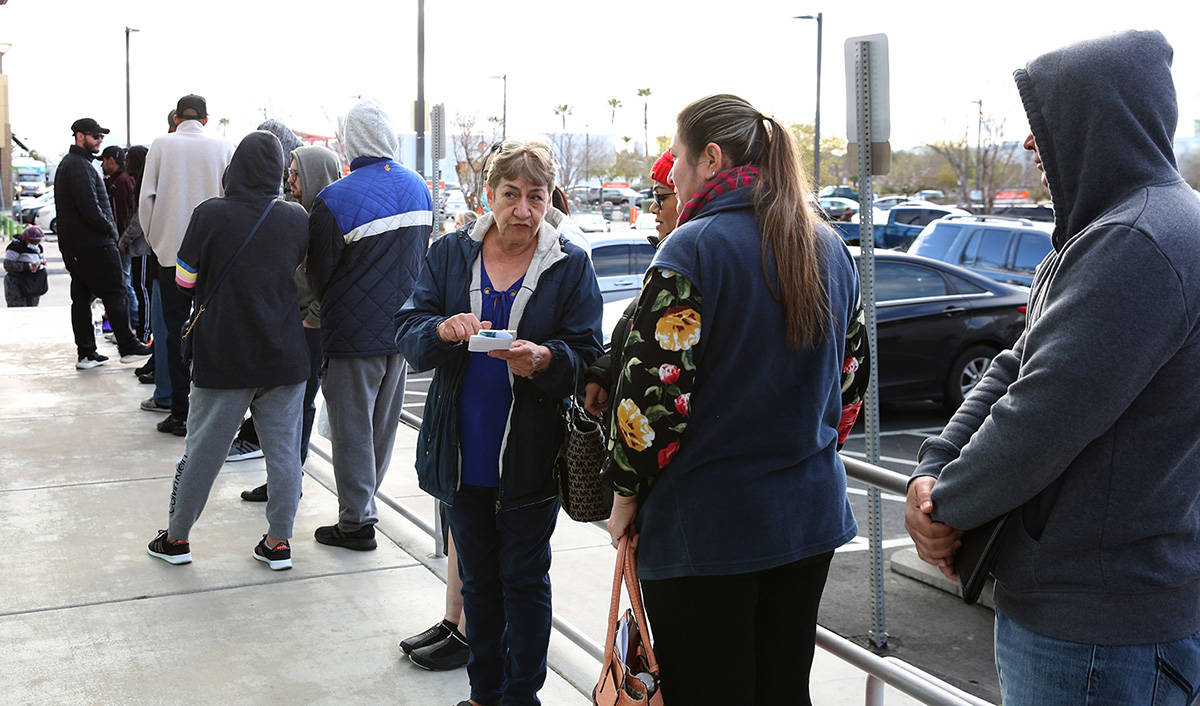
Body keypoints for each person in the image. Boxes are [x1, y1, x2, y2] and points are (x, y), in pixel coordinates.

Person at [904, 30, 1200, 704]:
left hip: (1100, 634)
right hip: (1091, 623)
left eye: (1044, 122)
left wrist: (941, 508)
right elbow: (1015, 366)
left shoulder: (1141, 240)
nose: (1031, 144)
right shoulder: (1107, 233)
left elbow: (1038, 417)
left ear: (1100, 121)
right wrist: (932, 469)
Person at [602, 95, 868, 705]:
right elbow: (850, 385)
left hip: (708, 531)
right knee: (782, 690)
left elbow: (651, 406)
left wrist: (624, 496)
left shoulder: (692, 249)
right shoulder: (826, 244)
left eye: (678, 161)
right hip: (808, 518)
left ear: (712, 159)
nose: (672, 175)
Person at [396, 140, 603, 706]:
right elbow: (408, 330)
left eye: (535, 197)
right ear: (490, 195)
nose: (523, 210)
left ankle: (520, 698)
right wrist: (441, 330)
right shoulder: (450, 255)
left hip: (531, 457)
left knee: (526, 581)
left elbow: (589, 353)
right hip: (461, 454)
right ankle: (485, 694)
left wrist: (545, 360)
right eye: (511, 195)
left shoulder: (568, 265)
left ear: (548, 200)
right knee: (480, 586)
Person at [145, 130, 310, 571]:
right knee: (283, 455)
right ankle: (278, 543)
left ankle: (176, 538)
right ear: (277, 172)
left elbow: (183, 280)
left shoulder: (210, 214)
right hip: (284, 355)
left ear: (233, 168)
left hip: (223, 354)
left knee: (203, 451)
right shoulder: (296, 218)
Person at [306, 99, 432, 550]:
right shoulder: (419, 188)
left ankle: (356, 521)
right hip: (401, 331)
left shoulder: (334, 198)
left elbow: (318, 273)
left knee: (351, 429)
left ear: (351, 140)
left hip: (350, 336)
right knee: (382, 425)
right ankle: (365, 506)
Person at [238, 144, 342, 499]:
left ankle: (287, 481)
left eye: (296, 173)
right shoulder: (298, 213)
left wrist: (311, 321)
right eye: (290, 172)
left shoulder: (322, 219)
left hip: (309, 329)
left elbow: (329, 279)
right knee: (288, 403)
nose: (290, 180)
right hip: (292, 323)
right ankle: (285, 479)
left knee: (299, 403)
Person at [140, 94, 234, 436]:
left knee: (175, 329)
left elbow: (146, 199)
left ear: (177, 118)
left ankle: (180, 411)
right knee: (213, 331)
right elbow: (231, 197)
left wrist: (157, 240)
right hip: (215, 255)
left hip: (171, 254)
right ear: (206, 120)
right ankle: (212, 414)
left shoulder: (161, 145)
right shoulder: (224, 147)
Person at [583, 150, 678, 418]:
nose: (653, 206)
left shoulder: (684, 268)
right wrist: (604, 373)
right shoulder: (669, 262)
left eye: (661, 195)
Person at [55, 117, 153, 370]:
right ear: (80, 136)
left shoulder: (77, 164)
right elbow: (90, 208)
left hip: (80, 246)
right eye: (95, 136)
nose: (99, 141)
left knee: (82, 297)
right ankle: (128, 346)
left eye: (101, 137)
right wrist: (110, 232)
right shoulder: (78, 166)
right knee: (115, 291)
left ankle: (86, 353)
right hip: (94, 245)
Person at [101, 145, 144, 343]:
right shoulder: (119, 181)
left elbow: (131, 215)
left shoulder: (124, 182)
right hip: (124, 240)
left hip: (126, 241)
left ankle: (134, 326)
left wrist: (124, 239)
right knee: (126, 283)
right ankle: (132, 327)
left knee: (127, 283)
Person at [4, 225, 48, 307]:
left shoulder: (39, 248)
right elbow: (7, 265)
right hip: (16, 285)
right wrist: (28, 266)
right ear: (26, 238)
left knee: (31, 311)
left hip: (33, 283)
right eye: (34, 241)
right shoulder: (15, 247)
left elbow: (41, 260)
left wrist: (40, 264)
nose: (36, 243)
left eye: (38, 241)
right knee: (18, 310)